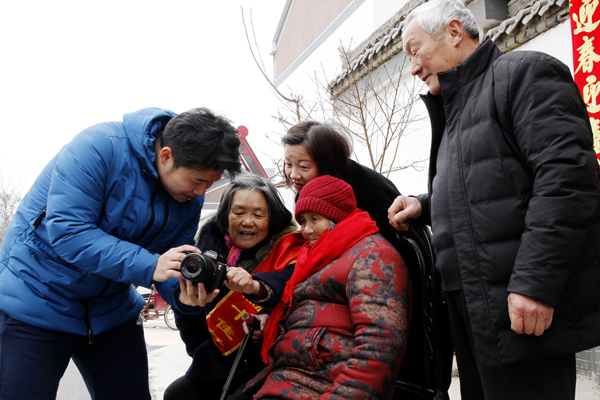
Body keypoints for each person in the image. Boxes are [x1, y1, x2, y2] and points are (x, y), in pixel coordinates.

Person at [388, 0, 600, 399]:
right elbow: (486, 186)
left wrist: (536, 284)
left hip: (518, 306)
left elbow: (566, 180)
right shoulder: (456, 107)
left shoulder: (521, 75)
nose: (413, 67)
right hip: (473, 307)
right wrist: (426, 204)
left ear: (454, 32)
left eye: (414, 51)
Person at [0, 107, 241, 400]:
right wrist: (151, 264)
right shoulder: (98, 148)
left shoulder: (187, 199)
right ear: (166, 156)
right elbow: (69, 232)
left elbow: (172, 259)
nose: (201, 193)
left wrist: (184, 294)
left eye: (209, 184)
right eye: (196, 181)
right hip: (36, 301)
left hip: (110, 312)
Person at [236, 175, 412, 400]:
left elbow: (380, 346)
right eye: (302, 221)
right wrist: (270, 319)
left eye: (314, 219)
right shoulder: (317, 256)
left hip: (323, 385)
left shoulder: (373, 256)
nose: (306, 230)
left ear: (337, 217)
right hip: (287, 377)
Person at [162, 174, 305, 400]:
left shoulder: (290, 251)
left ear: (273, 218)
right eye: (238, 212)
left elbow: (282, 287)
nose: (248, 221)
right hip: (217, 363)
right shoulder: (203, 251)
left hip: (269, 367)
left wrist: (253, 287)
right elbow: (186, 308)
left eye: (258, 214)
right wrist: (202, 353)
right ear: (225, 215)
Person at [282, 120, 401, 244]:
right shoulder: (306, 193)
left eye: (304, 166)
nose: (293, 174)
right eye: (288, 164)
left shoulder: (369, 191)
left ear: (326, 164)